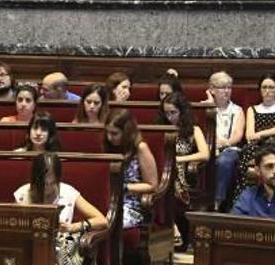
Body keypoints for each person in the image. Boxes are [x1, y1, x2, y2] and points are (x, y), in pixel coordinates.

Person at [14, 153, 109, 265]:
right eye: (43, 184)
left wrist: (73, 227)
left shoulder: (68, 192)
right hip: (32, 249)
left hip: (60, 252)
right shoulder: (22, 194)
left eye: (52, 183)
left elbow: (102, 221)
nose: (47, 188)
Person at [233, 73, 275, 203]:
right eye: (264, 87)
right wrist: (261, 135)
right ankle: (244, 198)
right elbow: (249, 135)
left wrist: (259, 135)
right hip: (255, 147)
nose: (267, 91)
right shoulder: (252, 109)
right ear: (260, 90)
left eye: (271, 87)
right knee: (247, 152)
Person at [160, 92, 208, 249]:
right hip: (162, 168)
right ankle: (173, 228)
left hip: (181, 169)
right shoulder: (160, 129)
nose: (169, 117)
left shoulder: (193, 130)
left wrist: (179, 159)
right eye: (166, 113)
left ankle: (175, 229)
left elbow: (205, 154)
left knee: (170, 180)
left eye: (173, 112)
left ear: (182, 111)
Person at [103, 110, 158, 229]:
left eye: (114, 133)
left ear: (126, 132)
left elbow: (152, 185)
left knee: (107, 224)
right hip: (108, 201)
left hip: (131, 205)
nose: (109, 137)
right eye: (107, 132)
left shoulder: (140, 148)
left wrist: (125, 187)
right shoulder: (109, 147)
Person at [205, 71, 245, 210]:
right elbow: (204, 132)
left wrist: (223, 143)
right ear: (212, 89)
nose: (227, 91)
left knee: (224, 160)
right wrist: (210, 106)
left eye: (229, 87)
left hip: (229, 149)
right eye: (222, 87)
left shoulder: (237, 110)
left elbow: (237, 136)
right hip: (208, 148)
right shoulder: (204, 108)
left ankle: (217, 202)